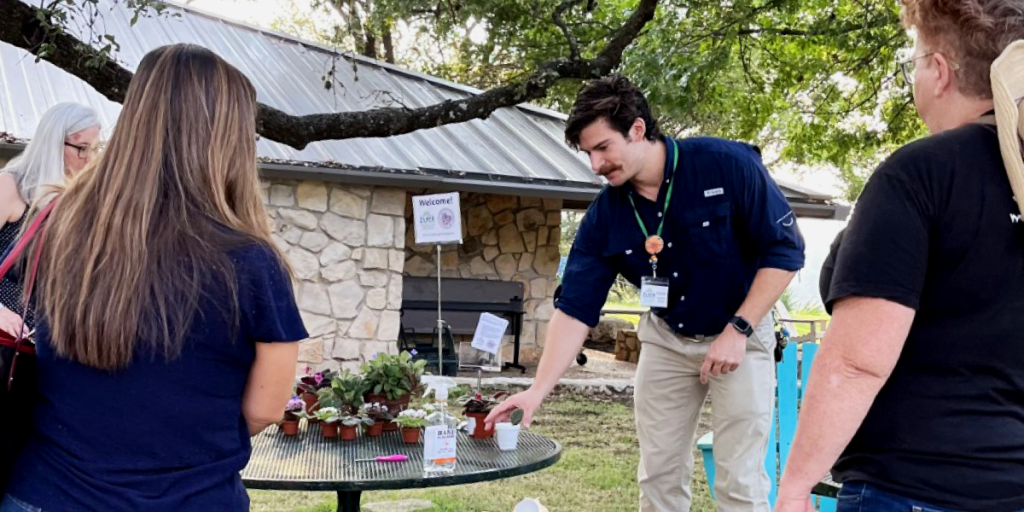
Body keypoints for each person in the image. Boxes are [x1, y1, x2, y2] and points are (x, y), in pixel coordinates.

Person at [0, 43, 307, 512]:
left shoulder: (57, 225)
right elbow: (265, 409)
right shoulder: (252, 260)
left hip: (47, 493)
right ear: (227, 140)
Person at [487, 75, 805, 512]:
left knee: (739, 479)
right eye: (587, 153)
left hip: (741, 334)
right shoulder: (606, 215)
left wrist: (739, 328)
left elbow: (785, 252)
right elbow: (576, 309)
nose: (595, 164)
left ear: (637, 129)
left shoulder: (726, 164)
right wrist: (538, 390)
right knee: (658, 476)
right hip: (667, 340)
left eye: (602, 148)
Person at [774, 1, 1024, 511]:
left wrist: (796, 483)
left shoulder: (920, 174)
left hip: (913, 484)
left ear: (939, 71)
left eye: (914, 62)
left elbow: (855, 363)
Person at [0, 102, 101, 336]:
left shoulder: (79, 203)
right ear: (53, 144)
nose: (89, 159)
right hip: (7, 341)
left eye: (95, 149)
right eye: (82, 148)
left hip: (49, 346)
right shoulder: (10, 186)